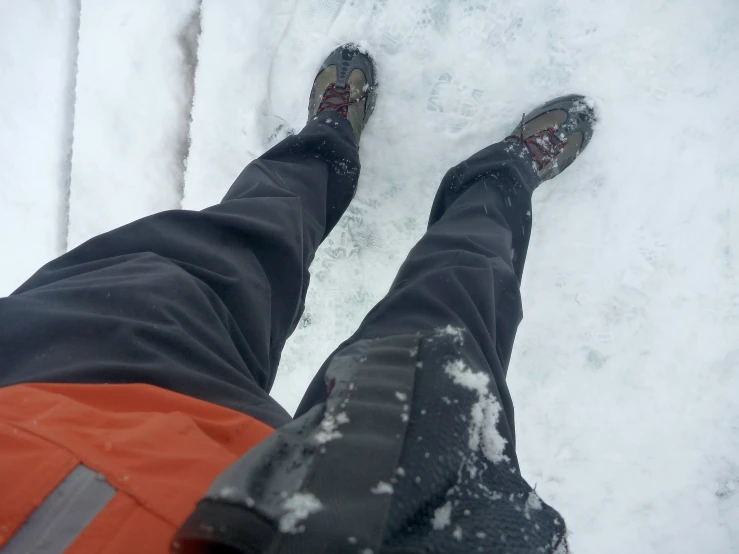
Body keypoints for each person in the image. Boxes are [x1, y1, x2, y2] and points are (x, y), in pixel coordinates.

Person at [0, 44, 594, 554]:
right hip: (313, 525)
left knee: (242, 238)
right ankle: (503, 179)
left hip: (49, 389)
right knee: (450, 323)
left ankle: (326, 138)